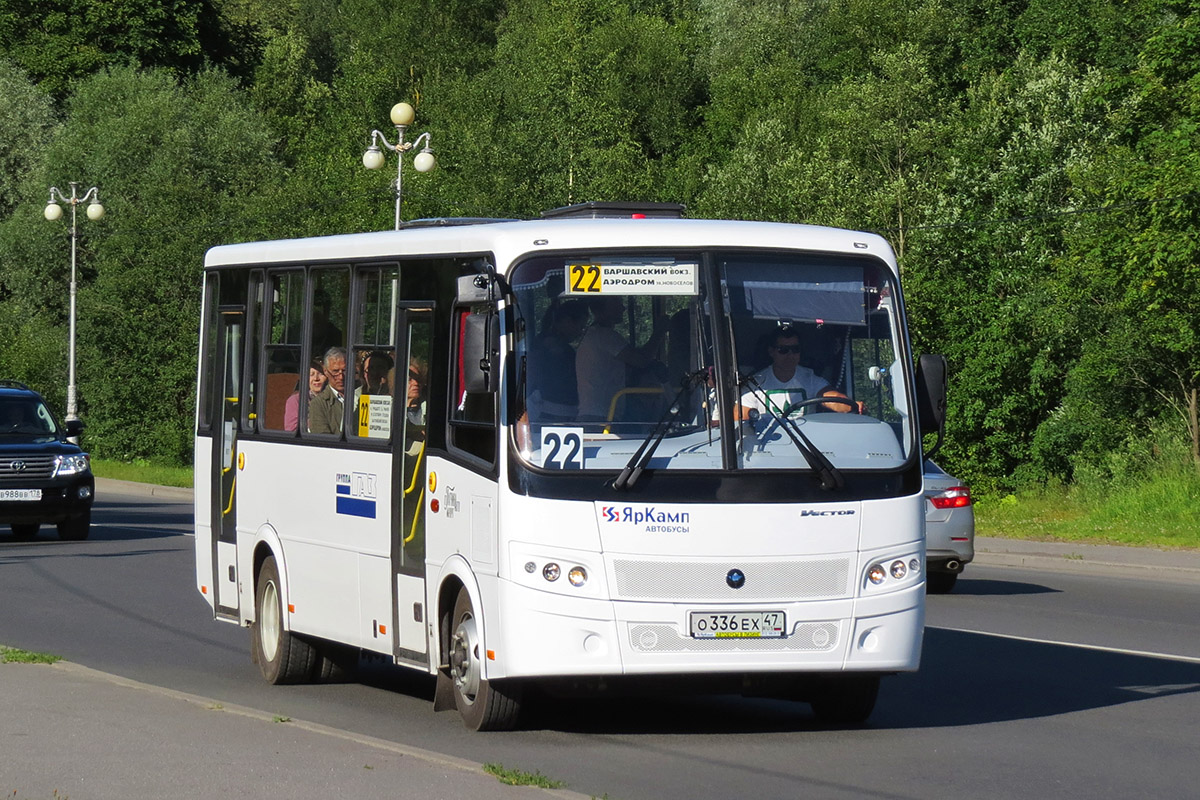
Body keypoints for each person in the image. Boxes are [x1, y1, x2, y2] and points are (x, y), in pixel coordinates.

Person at [575, 296, 666, 421]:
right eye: (617, 303)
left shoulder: (594, 335)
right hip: (600, 417)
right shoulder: (605, 336)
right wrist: (659, 332)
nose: (623, 308)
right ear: (600, 309)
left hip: (598, 413)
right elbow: (641, 360)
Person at [738, 326, 856, 417]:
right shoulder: (754, 384)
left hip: (806, 444)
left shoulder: (810, 378)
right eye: (783, 350)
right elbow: (741, 418)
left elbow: (831, 397)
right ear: (771, 352)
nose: (790, 355)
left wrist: (849, 405)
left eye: (795, 349)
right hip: (769, 446)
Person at [527, 300, 587, 421]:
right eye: (580, 327)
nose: (581, 332)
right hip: (555, 414)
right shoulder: (554, 347)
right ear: (567, 321)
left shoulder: (543, 342)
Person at [308, 346, 348, 435]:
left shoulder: (361, 396)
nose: (341, 377)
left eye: (344, 371)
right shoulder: (319, 404)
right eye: (335, 371)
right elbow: (322, 441)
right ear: (326, 372)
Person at [283, 359, 326, 432]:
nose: (316, 378)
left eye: (320, 374)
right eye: (311, 374)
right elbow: (292, 430)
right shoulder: (295, 400)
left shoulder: (336, 398)